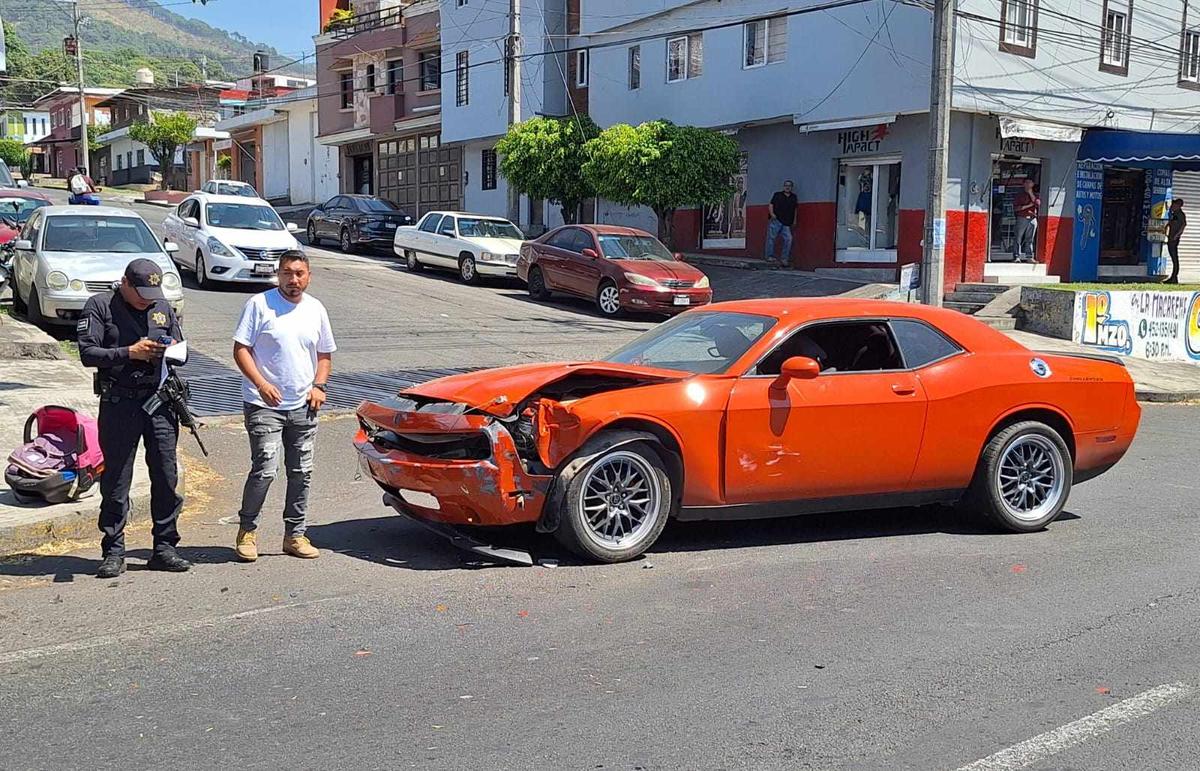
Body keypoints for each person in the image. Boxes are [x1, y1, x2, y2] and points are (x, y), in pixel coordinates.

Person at [78, 259, 191, 578]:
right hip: (119, 402)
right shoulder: (101, 306)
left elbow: (183, 351)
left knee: (166, 475)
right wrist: (130, 352)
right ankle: (113, 550)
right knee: (116, 480)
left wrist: (168, 350)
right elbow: (88, 353)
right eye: (140, 293)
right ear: (124, 283)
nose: (146, 299)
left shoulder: (162, 307)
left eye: (151, 294)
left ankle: (165, 547)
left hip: (159, 401)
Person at [232, 250, 336, 562]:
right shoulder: (259, 305)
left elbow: (324, 354)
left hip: (304, 404)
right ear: (278, 274)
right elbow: (241, 350)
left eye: (299, 273)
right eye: (288, 273)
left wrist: (319, 385)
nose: (294, 280)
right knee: (265, 467)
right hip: (263, 403)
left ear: (308, 276)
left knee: (301, 471)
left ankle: (295, 535)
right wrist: (262, 384)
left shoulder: (316, 309)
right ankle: (247, 531)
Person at [766, 180, 797, 268]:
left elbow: (795, 209)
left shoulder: (793, 197)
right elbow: (771, 205)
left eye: (789, 185)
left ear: (791, 187)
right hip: (776, 220)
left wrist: (794, 220)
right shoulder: (777, 195)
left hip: (787, 222)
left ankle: (784, 258)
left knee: (789, 239)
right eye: (786, 185)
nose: (787, 187)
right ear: (783, 187)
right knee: (771, 238)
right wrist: (772, 214)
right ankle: (770, 256)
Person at [1013, 178, 1040, 263]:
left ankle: (1029, 257)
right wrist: (1028, 206)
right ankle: (1017, 256)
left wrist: (1030, 193)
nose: (1028, 184)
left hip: (1032, 219)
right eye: (1027, 183)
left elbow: (1037, 203)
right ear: (1023, 184)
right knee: (1018, 238)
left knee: (1030, 239)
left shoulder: (1035, 195)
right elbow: (1016, 208)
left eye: (1030, 182)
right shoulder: (1019, 195)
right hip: (1022, 218)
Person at [1166, 198, 1186, 284]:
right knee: (1173, 256)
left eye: (1174, 205)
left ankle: (1174, 277)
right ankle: (1173, 277)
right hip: (1171, 237)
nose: (1172, 206)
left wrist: (1176, 235)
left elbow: (1183, 225)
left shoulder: (1180, 214)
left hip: (1174, 239)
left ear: (1178, 206)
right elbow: (1171, 222)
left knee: (1174, 258)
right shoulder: (1175, 214)